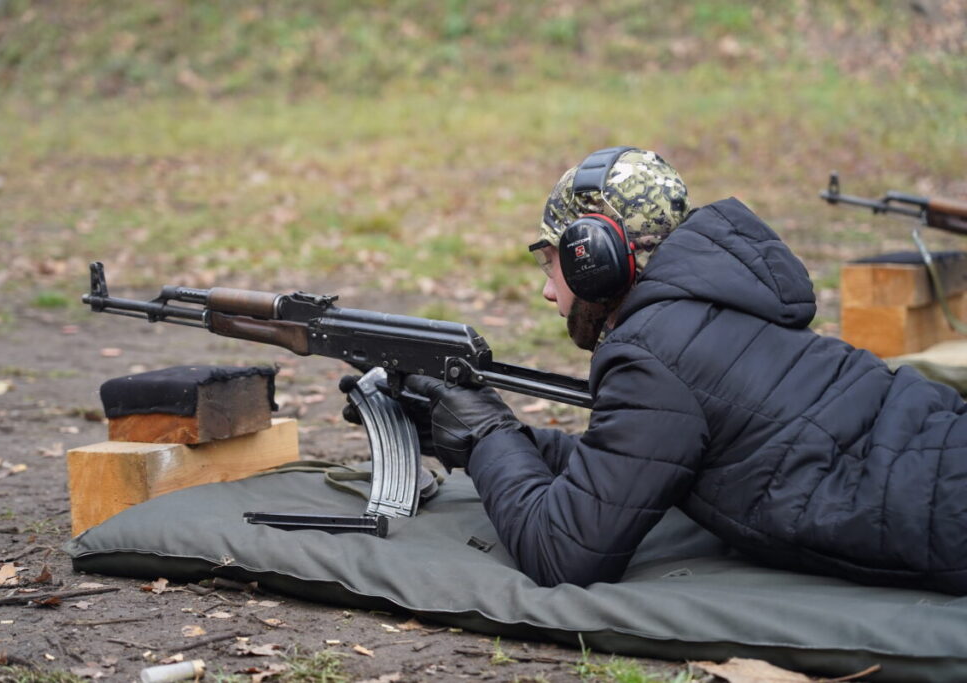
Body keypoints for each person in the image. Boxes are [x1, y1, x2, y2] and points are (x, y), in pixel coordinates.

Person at [399, 145, 967, 593]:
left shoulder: (654, 355)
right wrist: (478, 438)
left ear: (594, 258)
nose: (549, 291)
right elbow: (631, 468)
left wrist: (486, 435)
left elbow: (562, 551)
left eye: (553, 264)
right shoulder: (708, 309)